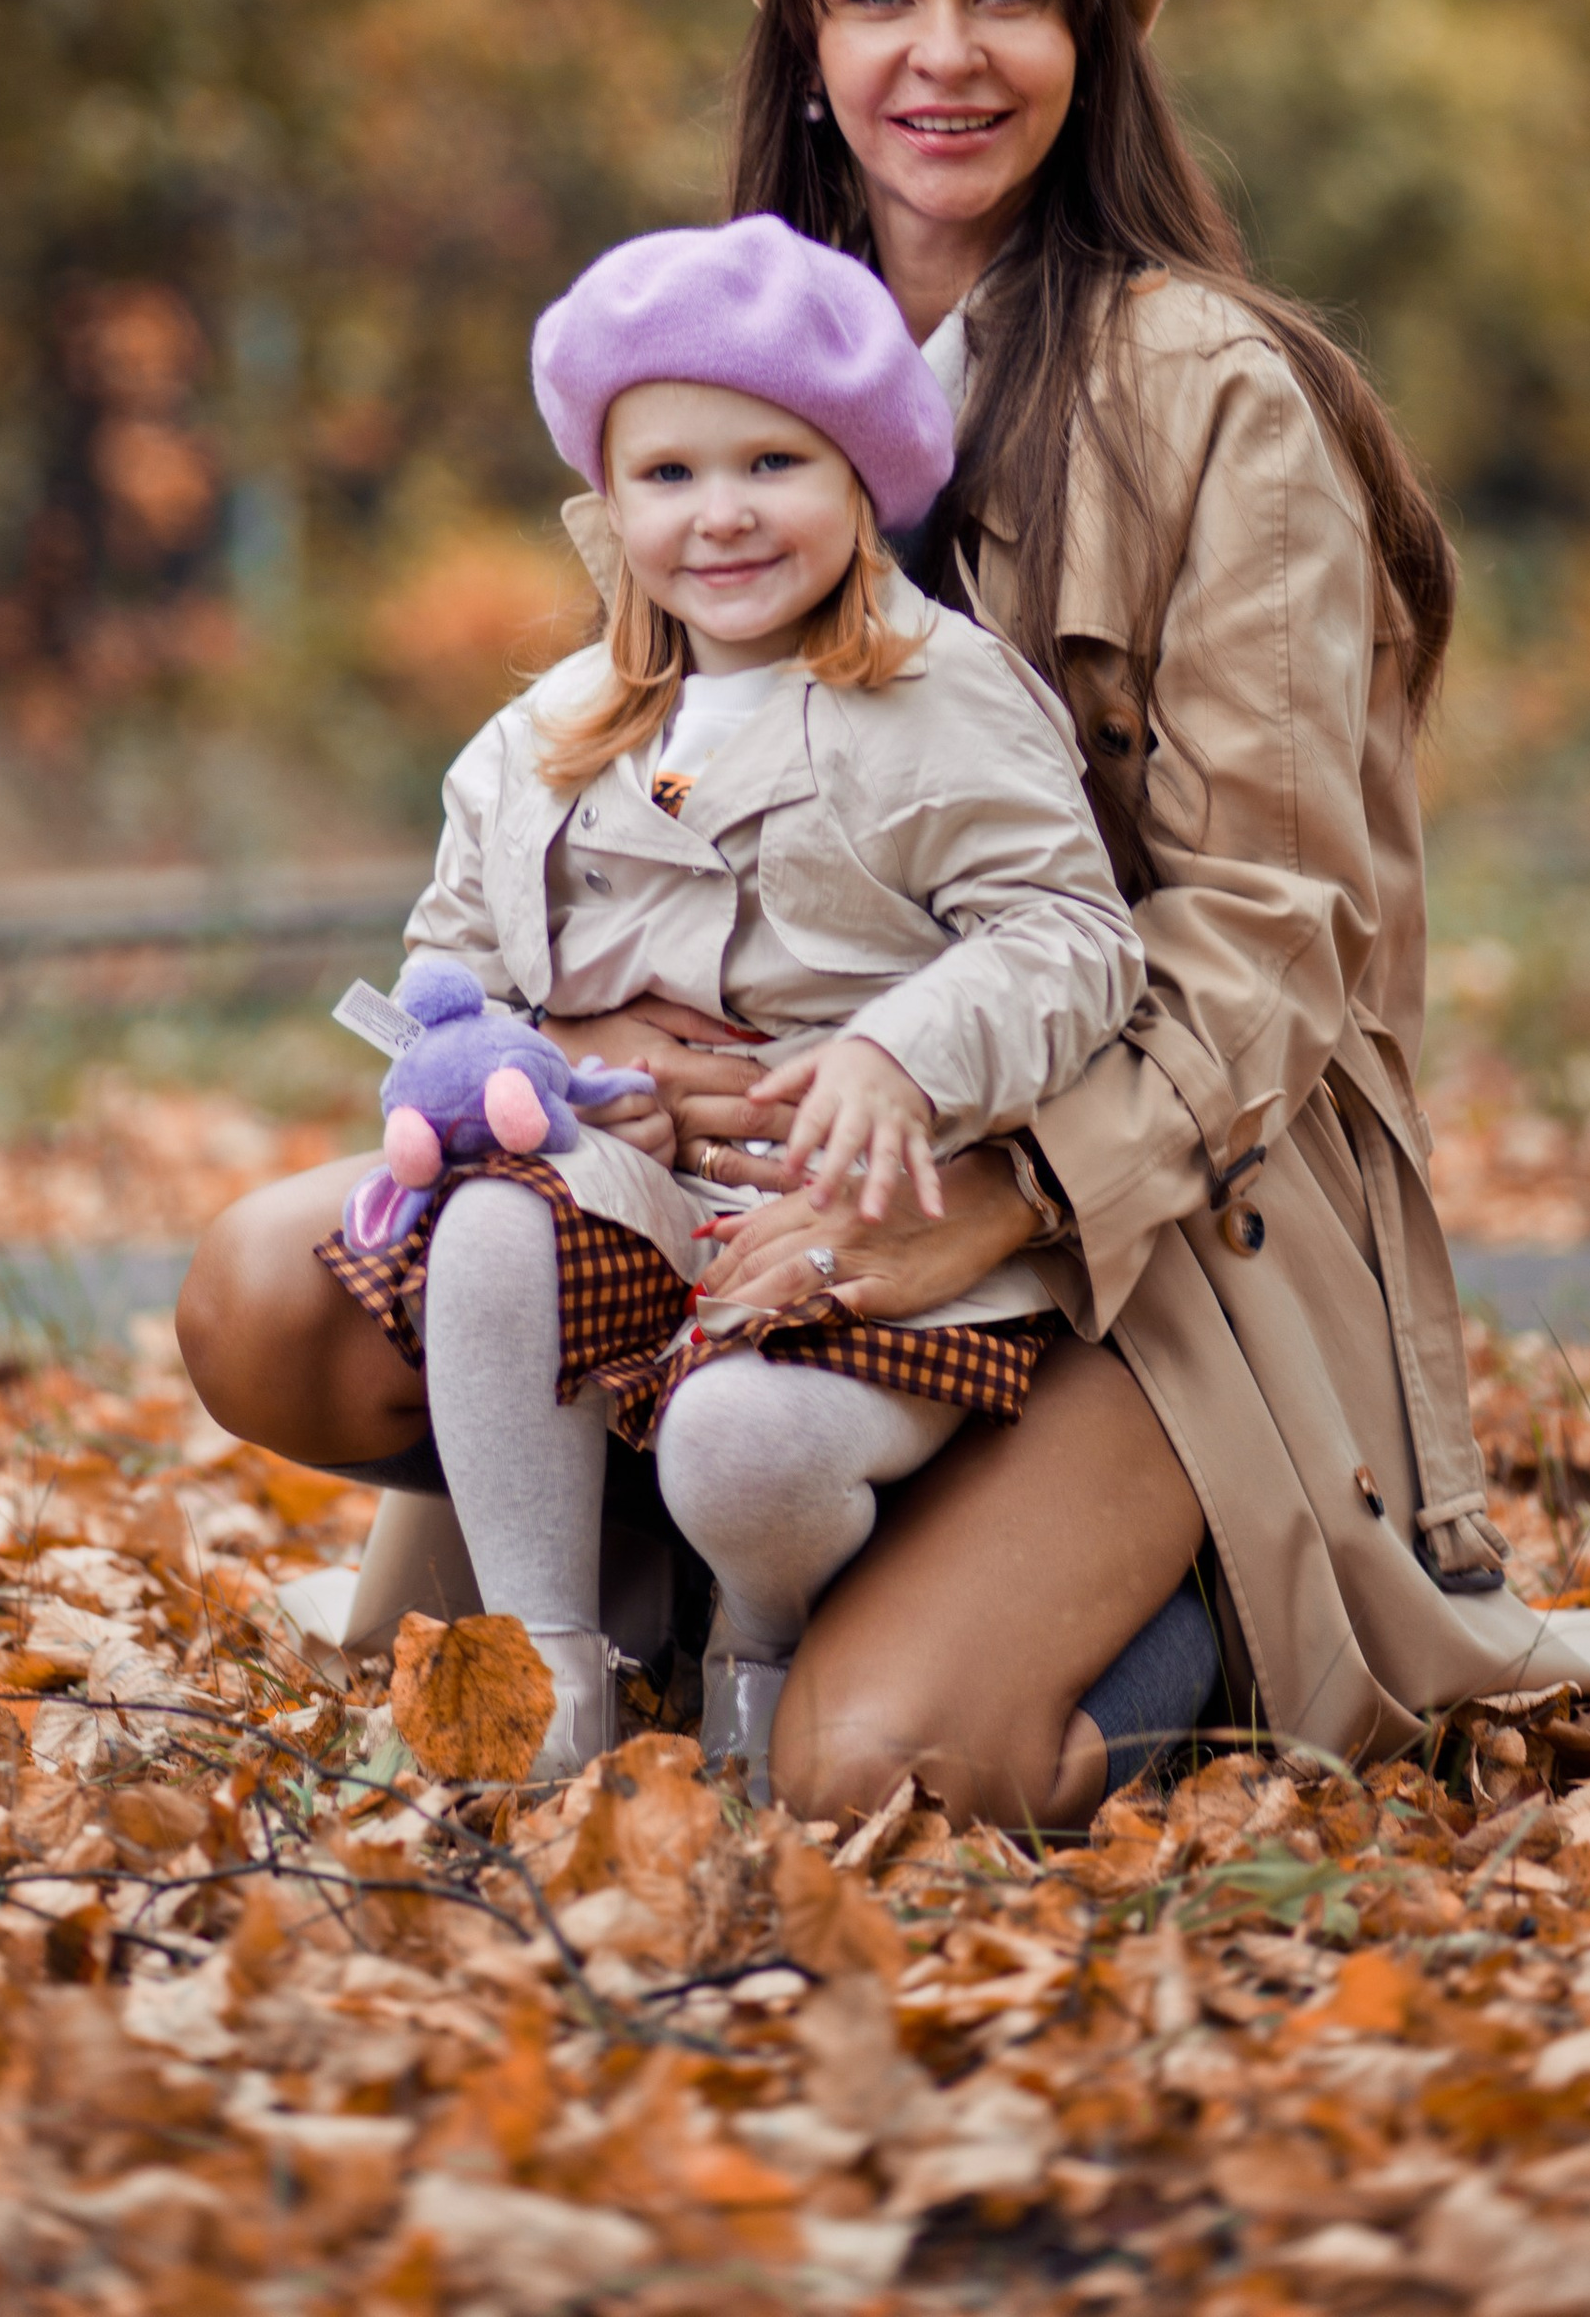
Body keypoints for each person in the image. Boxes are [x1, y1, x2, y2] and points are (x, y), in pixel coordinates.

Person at [177, 0, 1590, 1826]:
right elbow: (582, 778)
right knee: (260, 1298)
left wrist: (989, 1187)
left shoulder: (1212, 399)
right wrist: (583, 1033)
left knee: (885, 1766)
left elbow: (1271, 943)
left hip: (1137, 1215)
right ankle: (683, 1557)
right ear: (806, 38)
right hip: (733, 1170)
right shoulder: (720, 360)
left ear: (1086, 36)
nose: (943, 54)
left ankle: (1166, 1593)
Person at [323, 213, 1146, 1789]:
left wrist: (909, 1050)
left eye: (774, 464)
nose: (723, 517)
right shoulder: (547, 737)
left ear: (860, 481)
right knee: (493, 1228)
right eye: (671, 475)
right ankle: (546, 1660)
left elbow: (1073, 936)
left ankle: (757, 1639)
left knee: (740, 1449)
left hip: (860, 1214)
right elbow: (446, 972)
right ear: (607, 504)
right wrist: (529, 1051)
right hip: (631, 1186)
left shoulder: (943, 696)